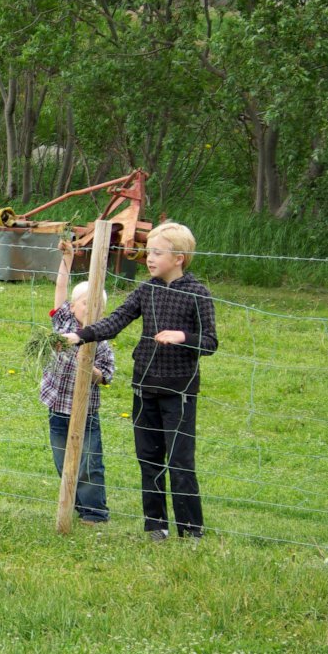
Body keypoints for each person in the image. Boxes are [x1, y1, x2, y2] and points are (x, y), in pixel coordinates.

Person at [64, 221, 218, 541]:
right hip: (144, 388)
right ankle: (155, 526)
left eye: (157, 253)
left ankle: (191, 530)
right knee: (149, 460)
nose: (149, 258)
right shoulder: (146, 290)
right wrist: (80, 335)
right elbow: (117, 320)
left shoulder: (197, 293)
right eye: (148, 252)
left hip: (179, 392)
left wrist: (182, 337)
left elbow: (209, 342)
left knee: (180, 462)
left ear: (179, 258)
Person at [41, 239, 115, 525]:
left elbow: (106, 374)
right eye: (86, 303)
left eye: (98, 305)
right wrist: (68, 258)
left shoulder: (102, 340)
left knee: (89, 461)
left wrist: (92, 371)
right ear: (72, 307)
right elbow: (61, 287)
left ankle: (94, 512)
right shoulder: (62, 325)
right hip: (58, 408)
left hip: (86, 413)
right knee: (62, 460)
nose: (92, 307)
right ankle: (72, 501)